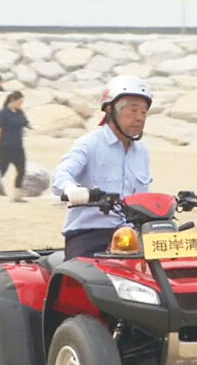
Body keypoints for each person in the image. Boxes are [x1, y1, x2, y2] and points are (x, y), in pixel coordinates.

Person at [52, 74, 152, 260]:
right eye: (133, 110)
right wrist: (72, 189)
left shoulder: (142, 151)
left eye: (144, 112)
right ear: (110, 109)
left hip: (132, 234)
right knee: (90, 279)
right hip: (91, 233)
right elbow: (61, 174)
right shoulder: (89, 144)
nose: (140, 117)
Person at [0, 90, 31, 203]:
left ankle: (17, 196)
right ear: (12, 100)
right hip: (5, 146)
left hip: (18, 146)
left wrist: (33, 126)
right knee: (2, 170)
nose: (21, 104)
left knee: (21, 170)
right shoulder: (2, 114)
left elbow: (26, 123)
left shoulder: (20, 112)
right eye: (19, 102)